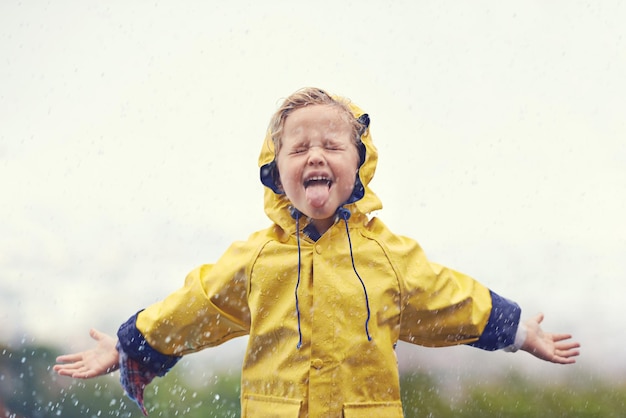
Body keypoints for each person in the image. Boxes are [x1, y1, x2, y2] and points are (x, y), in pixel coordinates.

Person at [54, 87, 580, 417]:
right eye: (299, 147)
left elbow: (449, 297)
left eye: (332, 145)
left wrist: (519, 331)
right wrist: (129, 345)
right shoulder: (257, 260)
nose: (315, 155)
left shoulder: (388, 256)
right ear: (275, 170)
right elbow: (194, 305)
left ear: (360, 163)